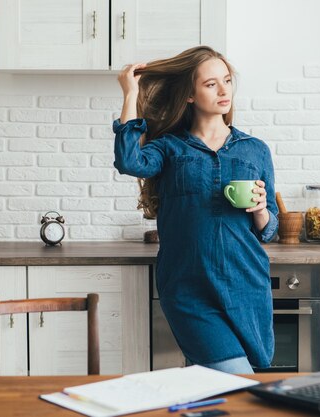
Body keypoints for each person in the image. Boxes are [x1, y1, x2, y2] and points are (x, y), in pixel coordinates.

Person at [113, 46, 278, 374]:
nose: (223, 90)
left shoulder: (255, 150)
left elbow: (269, 227)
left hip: (247, 284)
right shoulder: (169, 147)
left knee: (226, 387)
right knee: (237, 378)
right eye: (210, 84)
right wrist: (130, 93)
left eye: (227, 81)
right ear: (189, 94)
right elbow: (129, 162)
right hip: (189, 288)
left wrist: (261, 209)